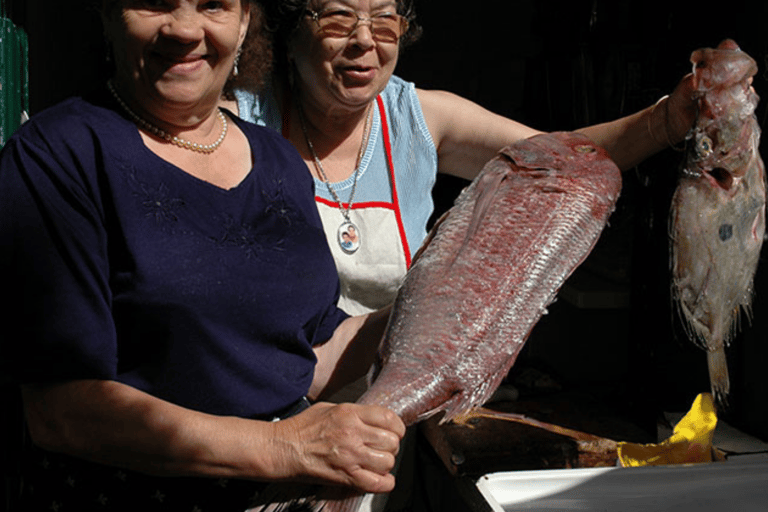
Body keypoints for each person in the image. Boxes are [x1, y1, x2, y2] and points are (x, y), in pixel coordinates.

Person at [0, 1, 405, 511]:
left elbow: (308, 353)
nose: (185, 29)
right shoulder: (58, 155)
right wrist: (283, 448)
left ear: (243, 24)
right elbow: (61, 409)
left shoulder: (277, 159)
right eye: (154, 2)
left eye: (213, 4)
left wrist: (433, 305)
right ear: (107, 15)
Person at [229, 0, 698, 317]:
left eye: (385, 20)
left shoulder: (419, 120)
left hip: (389, 419)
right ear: (290, 33)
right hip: (272, 417)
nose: (364, 40)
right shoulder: (242, 119)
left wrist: (669, 120)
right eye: (337, 18)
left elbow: (565, 159)